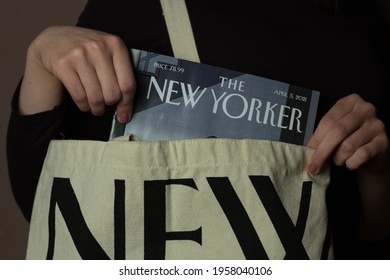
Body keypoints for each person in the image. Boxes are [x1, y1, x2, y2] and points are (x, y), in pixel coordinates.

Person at [7, 0, 390, 259]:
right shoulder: (146, 7)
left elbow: (365, 241)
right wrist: (42, 58)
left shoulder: (363, 21)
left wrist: (376, 168)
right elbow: (48, 207)